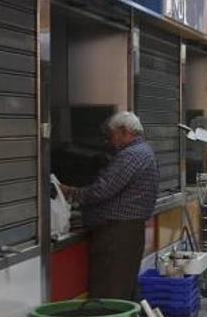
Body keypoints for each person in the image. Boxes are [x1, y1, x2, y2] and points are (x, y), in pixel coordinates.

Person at [61, 111, 159, 300]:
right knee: (124, 287)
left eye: (111, 134)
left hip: (117, 234)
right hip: (127, 231)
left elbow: (102, 189)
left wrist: (71, 192)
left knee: (110, 290)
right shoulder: (144, 151)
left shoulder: (131, 155)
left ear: (124, 131)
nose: (110, 141)